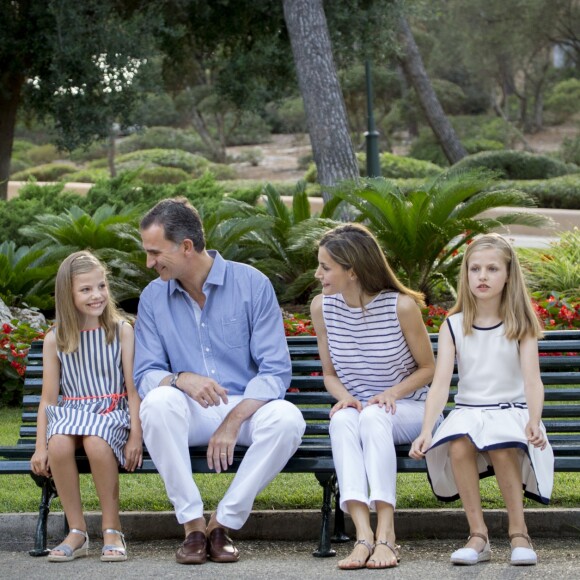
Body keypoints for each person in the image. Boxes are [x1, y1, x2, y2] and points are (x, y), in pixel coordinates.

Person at [133, 197, 306, 565]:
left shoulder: (252, 284)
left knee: (289, 420)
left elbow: (274, 370)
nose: (149, 263)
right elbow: (145, 373)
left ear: (186, 247)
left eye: (154, 252)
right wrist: (182, 379)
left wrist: (234, 418)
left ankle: (221, 524)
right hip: (188, 410)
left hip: (244, 407)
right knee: (157, 404)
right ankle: (192, 527)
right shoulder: (152, 298)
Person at [410, 233, 554, 566]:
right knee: (459, 445)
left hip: (511, 411)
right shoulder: (454, 325)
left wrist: (534, 418)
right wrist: (427, 429)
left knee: (502, 446)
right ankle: (478, 535)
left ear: (508, 275)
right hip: (469, 412)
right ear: (466, 275)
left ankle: (519, 533)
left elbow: (533, 380)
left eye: (492, 269)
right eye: (475, 269)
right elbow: (441, 384)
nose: (483, 276)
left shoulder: (520, 324)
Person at [310, 223, 436, 570]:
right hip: (362, 407)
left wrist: (390, 394)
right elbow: (330, 375)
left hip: (410, 408)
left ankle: (386, 534)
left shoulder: (401, 306)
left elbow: (428, 369)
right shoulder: (322, 308)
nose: (318, 273)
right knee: (343, 420)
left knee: (374, 415)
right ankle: (363, 536)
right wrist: (345, 398)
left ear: (351, 270)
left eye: (325, 266)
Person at [30, 251, 142, 563]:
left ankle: (112, 528)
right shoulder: (57, 338)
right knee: (59, 445)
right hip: (72, 411)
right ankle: (77, 531)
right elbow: (49, 400)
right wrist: (41, 446)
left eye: (102, 286)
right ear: (68, 293)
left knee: (95, 442)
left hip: (110, 413)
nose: (97, 295)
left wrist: (136, 436)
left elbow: (133, 390)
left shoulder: (121, 331)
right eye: (86, 289)